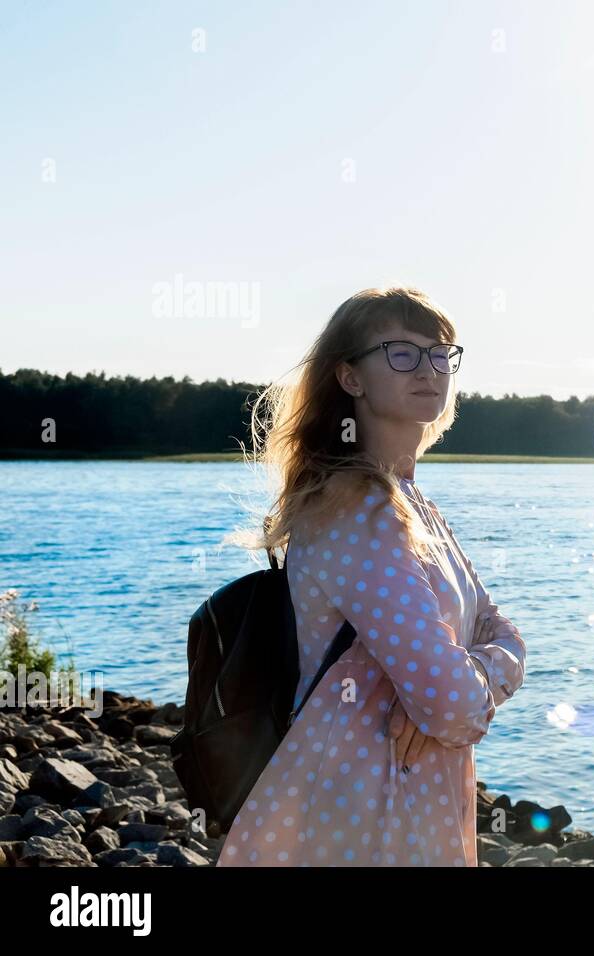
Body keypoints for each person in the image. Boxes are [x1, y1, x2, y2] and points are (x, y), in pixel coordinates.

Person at [217, 285, 526, 866]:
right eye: (401, 353)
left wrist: (468, 671)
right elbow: (454, 705)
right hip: (362, 817)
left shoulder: (411, 503)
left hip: (407, 802)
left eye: (440, 354)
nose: (429, 369)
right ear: (351, 378)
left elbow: (500, 634)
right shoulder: (359, 508)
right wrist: (452, 686)